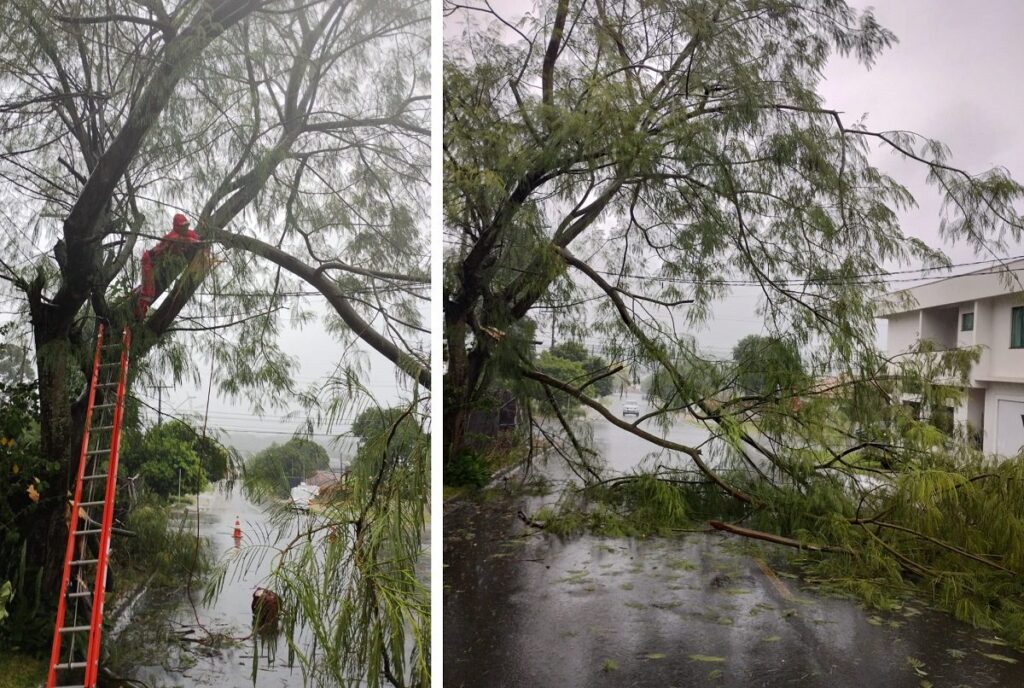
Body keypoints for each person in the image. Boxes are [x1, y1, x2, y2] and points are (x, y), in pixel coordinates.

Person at [135, 213, 200, 318]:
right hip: (149, 261)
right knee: (148, 293)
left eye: (186, 225)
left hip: (158, 263)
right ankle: (139, 313)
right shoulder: (172, 236)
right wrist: (196, 241)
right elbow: (184, 240)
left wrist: (199, 239)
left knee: (148, 287)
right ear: (177, 227)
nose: (185, 228)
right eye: (183, 226)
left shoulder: (186, 233)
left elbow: (193, 235)